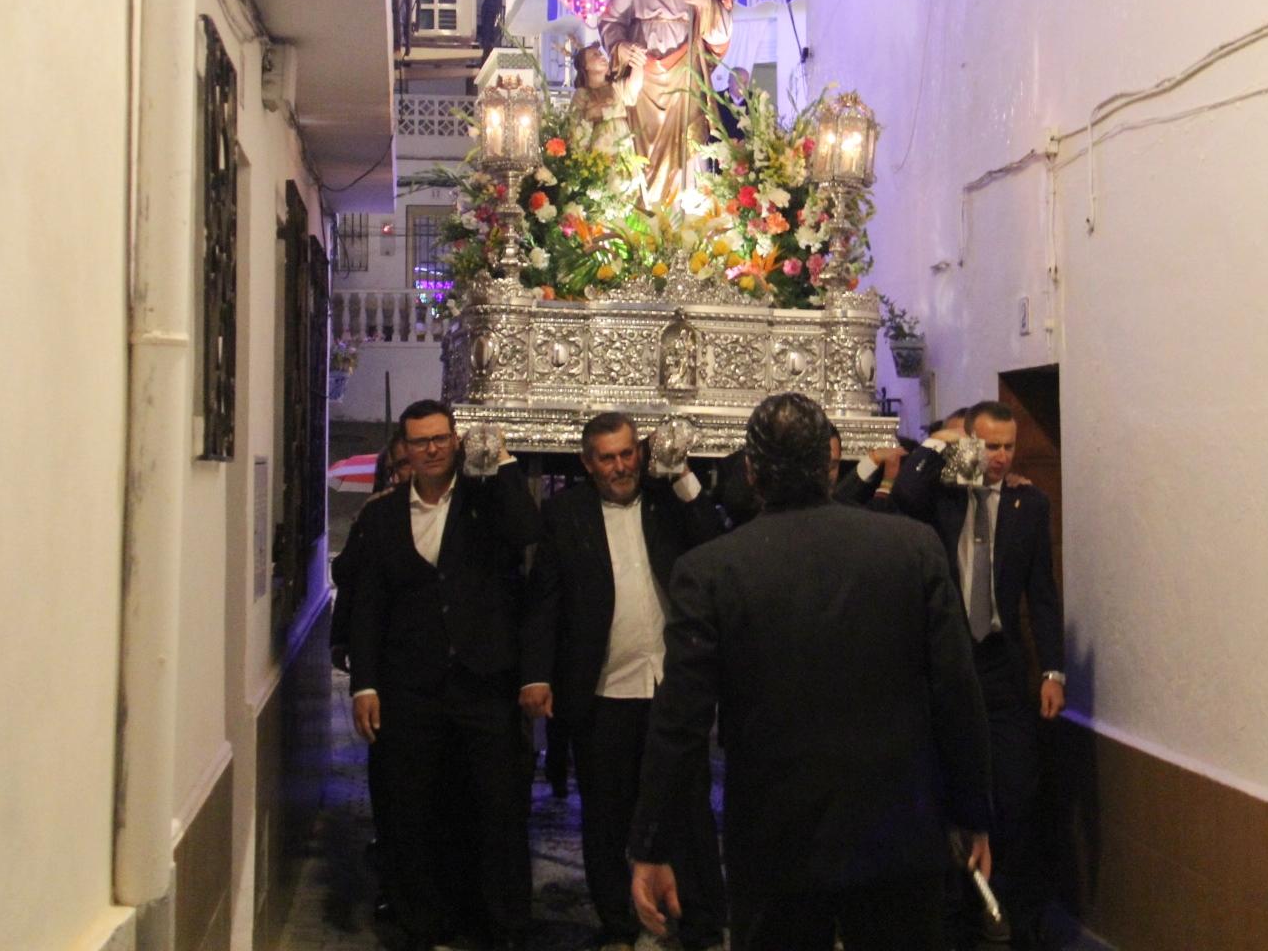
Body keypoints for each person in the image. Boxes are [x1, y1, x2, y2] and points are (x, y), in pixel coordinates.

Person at [628, 393, 993, 951]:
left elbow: (680, 723)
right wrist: (972, 813)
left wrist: (652, 844)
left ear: (752, 473)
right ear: (829, 463)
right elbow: (956, 692)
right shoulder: (911, 547)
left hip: (776, 836)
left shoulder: (710, 570)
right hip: (897, 825)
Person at [521, 413, 727, 951]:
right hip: (602, 690)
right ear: (587, 463)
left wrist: (682, 475)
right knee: (607, 815)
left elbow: (714, 544)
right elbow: (546, 600)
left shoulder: (666, 501)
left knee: (688, 810)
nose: (620, 467)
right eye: (608, 458)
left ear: (641, 452)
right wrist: (537, 674)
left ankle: (701, 924)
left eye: (628, 453)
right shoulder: (565, 513)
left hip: (669, 691)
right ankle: (619, 925)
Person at [348, 400, 542, 951]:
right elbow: (368, 606)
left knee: (497, 807)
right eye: (420, 441)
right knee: (415, 807)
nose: (431, 449)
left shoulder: (485, 499)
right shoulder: (382, 517)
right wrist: (365, 683)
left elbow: (526, 529)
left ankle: (503, 926)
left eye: (440, 438)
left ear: (455, 440)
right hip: (411, 686)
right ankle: (425, 924)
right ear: (404, 449)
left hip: (484, 681)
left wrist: (502, 462)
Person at [893, 401, 1066, 951]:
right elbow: (904, 495)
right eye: (990, 446)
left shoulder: (1027, 503)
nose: (1001, 457)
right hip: (947, 662)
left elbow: (1042, 594)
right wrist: (940, 441)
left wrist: (1053, 669)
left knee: (1015, 791)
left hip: (1000, 665)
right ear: (970, 442)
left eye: (1009, 446)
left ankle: (1009, 913)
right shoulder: (942, 498)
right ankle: (954, 917)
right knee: (946, 789)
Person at [600, 0, 734, 212]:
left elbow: (722, 29)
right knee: (645, 156)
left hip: (685, 73)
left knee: (689, 148)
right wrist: (621, 47)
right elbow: (610, 21)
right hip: (645, 78)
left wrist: (706, 4)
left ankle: (689, 225)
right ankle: (648, 221)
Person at [330, 430, 410, 922]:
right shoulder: (376, 515)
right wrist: (344, 644)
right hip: (386, 669)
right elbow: (349, 581)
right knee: (390, 778)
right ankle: (393, 876)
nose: (407, 473)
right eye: (398, 465)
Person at [569, 41, 641, 157]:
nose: (602, 56)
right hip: (598, 151)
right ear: (586, 66)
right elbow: (574, 126)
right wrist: (592, 113)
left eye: (601, 53)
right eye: (595, 55)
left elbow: (633, 87)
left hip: (622, 146)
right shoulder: (582, 94)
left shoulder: (615, 87)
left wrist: (638, 62)